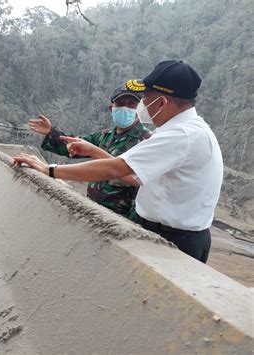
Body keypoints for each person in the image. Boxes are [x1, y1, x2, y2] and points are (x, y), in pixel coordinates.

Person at [14, 60, 223, 263]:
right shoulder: (189, 129)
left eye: (145, 99)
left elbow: (117, 168)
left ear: (161, 102)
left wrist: (49, 170)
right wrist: (90, 149)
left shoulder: (180, 135)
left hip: (174, 240)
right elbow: (134, 175)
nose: (142, 106)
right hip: (174, 233)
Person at [28, 87, 151, 221]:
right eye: (120, 104)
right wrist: (51, 132)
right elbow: (73, 146)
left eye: (131, 104)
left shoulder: (147, 142)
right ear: (111, 108)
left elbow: (143, 185)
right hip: (93, 212)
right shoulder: (105, 136)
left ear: (139, 108)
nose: (125, 108)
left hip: (121, 219)